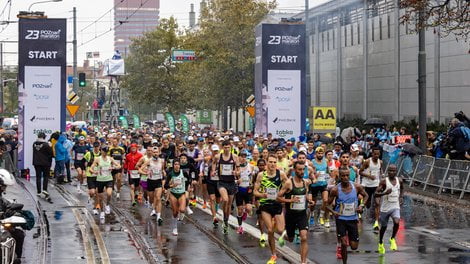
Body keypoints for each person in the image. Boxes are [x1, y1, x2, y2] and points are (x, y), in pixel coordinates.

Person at [327, 167, 369, 263]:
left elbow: (366, 195)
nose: (345, 178)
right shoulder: (335, 190)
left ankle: (349, 237)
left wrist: (362, 206)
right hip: (341, 219)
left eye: (347, 175)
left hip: (353, 219)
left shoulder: (356, 187)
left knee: (354, 246)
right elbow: (327, 205)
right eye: (343, 176)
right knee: (344, 244)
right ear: (340, 177)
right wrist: (334, 212)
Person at [254, 154, 288, 264]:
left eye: (274, 162)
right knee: (269, 230)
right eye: (270, 162)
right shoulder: (261, 175)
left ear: (276, 163)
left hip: (277, 204)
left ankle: (281, 233)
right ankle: (273, 255)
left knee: (280, 230)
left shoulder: (281, 174)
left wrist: (282, 193)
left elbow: (288, 186)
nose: (272, 164)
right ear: (267, 163)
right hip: (265, 205)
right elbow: (255, 191)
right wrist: (262, 195)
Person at [277, 161, 312, 264]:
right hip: (291, 215)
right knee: (291, 239)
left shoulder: (305, 182)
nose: (302, 172)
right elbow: (278, 197)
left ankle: (303, 262)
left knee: (304, 237)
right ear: (294, 170)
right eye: (299, 169)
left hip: (302, 214)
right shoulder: (289, 183)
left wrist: (309, 200)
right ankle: (284, 235)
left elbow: (305, 194)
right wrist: (290, 201)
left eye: (303, 169)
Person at [375, 164, 403, 254]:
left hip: (395, 207)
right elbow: (375, 194)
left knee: (397, 222)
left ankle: (392, 239)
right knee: (384, 227)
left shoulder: (399, 180)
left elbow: (402, 189)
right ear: (388, 172)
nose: (392, 172)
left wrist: (401, 197)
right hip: (385, 209)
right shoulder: (384, 182)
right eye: (390, 171)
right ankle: (380, 242)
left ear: (396, 171)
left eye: (394, 171)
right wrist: (384, 193)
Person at [213, 140, 240, 234]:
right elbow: (213, 163)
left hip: (231, 182)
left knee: (229, 205)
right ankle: (224, 219)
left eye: (228, 147)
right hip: (222, 182)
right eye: (225, 147)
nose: (227, 149)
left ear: (230, 147)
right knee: (225, 199)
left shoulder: (235, 157)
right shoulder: (218, 156)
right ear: (222, 148)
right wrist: (213, 171)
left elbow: (238, 169)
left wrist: (236, 172)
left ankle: (225, 221)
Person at [90, 146, 121, 220]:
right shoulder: (97, 159)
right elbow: (91, 168)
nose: (105, 153)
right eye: (104, 151)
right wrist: (94, 172)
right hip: (100, 180)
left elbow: (119, 165)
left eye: (106, 152)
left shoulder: (110, 158)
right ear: (101, 151)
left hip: (108, 179)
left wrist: (113, 167)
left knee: (109, 193)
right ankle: (102, 212)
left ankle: (107, 204)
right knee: (100, 198)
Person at [0, 172, 25, 263]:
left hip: (1, 225)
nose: (4, 189)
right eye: (3, 186)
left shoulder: (1, 198)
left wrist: (12, 208)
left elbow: (6, 204)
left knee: (19, 234)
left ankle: (16, 258)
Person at [139, 146, 165, 224]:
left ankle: (159, 216)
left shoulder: (161, 161)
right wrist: (145, 173)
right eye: (154, 152)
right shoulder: (149, 161)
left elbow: (163, 170)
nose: (155, 153)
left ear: (159, 153)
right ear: (152, 153)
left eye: (157, 152)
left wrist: (164, 173)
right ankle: (153, 208)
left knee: (158, 198)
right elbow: (140, 169)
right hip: (150, 181)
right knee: (151, 199)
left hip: (158, 181)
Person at [164, 159, 191, 236]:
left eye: (178, 164)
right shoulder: (170, 174)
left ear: (180, 165)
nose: (177, 166)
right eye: (175, 164)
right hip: (173, 193)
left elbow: (189, 179)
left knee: (182, 209)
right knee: (175, 212)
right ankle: (175, 228)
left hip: (181, 193)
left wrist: (187, 187)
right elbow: (165, 186)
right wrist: (171, 186)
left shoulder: (184, 172)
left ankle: (184, 210)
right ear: (173, 165)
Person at [360, 147, 383, 231]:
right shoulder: (367, 162)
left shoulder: (380, 162)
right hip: (367, 184)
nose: (376, 155)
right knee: (368, 204)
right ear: (372, 154)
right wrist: (369, 176)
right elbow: (360, 172)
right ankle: (362, 207)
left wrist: (382, 176)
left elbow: (380, 170)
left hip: (376, 185)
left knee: (377, 202)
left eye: (378, 154)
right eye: (375, 154)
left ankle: (376, 222)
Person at [310, 147, 330, 227]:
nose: (320, 155)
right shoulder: (312, 162)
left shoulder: (326, 161)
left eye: (321, 153)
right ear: (315, 154)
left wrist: (328, 177)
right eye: (318, 153)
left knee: (325, 200)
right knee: (313, 203)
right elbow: (310, 174)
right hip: (314, 185)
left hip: (323, 184)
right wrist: (315, 175)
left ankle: (321, 216)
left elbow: (327, 172)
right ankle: (311, 215)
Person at [235, 151, 254, 234]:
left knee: (249, 208)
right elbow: (231, 179)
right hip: (239, 189)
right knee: (239, 210)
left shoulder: (251, 166)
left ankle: (245, 212)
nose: (243, 158)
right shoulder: (236, 167)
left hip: (247, 190)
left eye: (245, 156)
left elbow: (253, 178)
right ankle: (240, 226)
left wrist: (251, 185)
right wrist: (237, 181)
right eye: (241, 156)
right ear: (238, 157)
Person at [32, 132, 53, 199]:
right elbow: (51, 154)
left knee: (38, 177)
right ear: (44, 137)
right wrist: (50, 146)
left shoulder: (34, 144)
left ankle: (38, 191)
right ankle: (44, 190)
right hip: (45, 163)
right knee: (45, 177)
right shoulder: (47, 145)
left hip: (36, 163)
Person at [84, 141, 101, 215]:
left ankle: (95, 206)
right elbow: (83, 162)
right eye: (95, 147)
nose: (96, 148)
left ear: (99, 147)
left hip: (99, 176)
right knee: (92, 192)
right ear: (93, 147)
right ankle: (90, 195)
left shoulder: (101, 154)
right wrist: (84, 171)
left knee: (97, 192)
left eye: (97, 147)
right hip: (90, 175)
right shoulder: (89, 154)